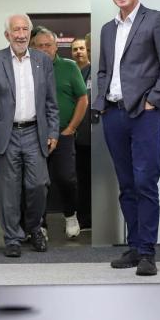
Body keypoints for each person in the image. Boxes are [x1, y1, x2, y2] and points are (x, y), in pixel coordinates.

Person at [93, 0, 160, 276]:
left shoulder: (155, 20)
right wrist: (100, 102)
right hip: (114, 114)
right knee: (126, 184)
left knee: (145, 183)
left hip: (145, 115)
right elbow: (103, 70)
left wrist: (153, 101)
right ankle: (133, 246)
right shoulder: (107, 29)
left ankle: (147, 253)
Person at [0, 14, 59, 257]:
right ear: (7, 34)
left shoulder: (42, 61)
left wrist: (54, 130)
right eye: (16, 30)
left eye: (25, 29)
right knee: (8, 190)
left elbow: (51, 102)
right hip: (7, 135)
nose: (21, 34)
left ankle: (34, 228)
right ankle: (12, 238)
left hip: (36, 132)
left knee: (37, 185)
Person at [31, 28, 88, 239]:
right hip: (33, 135)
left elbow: (83, 99)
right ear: (32, 47)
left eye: (48, 45)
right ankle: (40, 223)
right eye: (39, 45)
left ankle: (70, 215)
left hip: (63, 134)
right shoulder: (27, 67)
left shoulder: (69, 67)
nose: (44, 49)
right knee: (37, 182)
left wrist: (71, 128)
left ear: (56, 46)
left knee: (66, 178)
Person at [70, 36, 92, 229]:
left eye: (81, 48)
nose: (78, 52)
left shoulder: (95, 72)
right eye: (75, 49)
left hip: (96, 137)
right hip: (77, 138)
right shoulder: (71, 72)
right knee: (80, 180)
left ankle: (95, 220)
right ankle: (83, 219)